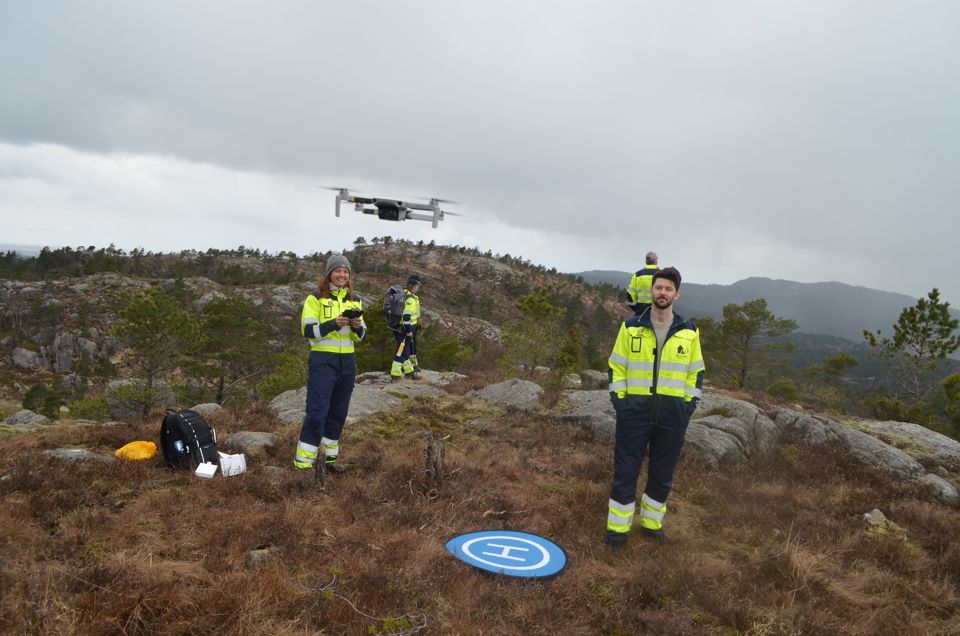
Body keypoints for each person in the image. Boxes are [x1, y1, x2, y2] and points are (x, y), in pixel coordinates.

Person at [606, 266, 704, 549]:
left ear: (677, 294)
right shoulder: (630, 327)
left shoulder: (689, 332)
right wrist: (621, 403)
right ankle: (617, 531)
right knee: (626, 470)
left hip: (672, 415)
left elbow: (695, 374)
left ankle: (651, 524)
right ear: (651, 290)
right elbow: (616, 367)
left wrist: (687, 407)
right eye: (658, 288)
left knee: (662, 474)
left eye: (668, 289)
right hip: (634, 413)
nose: (662, 293)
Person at [294, 254, 366, 473]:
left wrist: (354, 326)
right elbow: (308, 332)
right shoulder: (315, 299)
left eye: (345, 271)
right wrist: (332, 324)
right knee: (317, 412)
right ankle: (304, 464)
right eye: (338, 271)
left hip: (347, 363)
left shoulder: (354, 300)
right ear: (329, 274)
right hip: (323, 361)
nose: (342, 275)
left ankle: (328, 461)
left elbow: (361, 336)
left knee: (338, 413)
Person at [390, 275, 422, 382]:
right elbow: (407, 316)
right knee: (402, 351)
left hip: (398, 327)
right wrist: (408, 331)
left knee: (405, 351)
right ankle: (395, 375)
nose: (418, 288)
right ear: (412, 286)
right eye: (417, 286)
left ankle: (409, 372)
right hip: (406, 328)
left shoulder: (402, 295)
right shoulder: (410, 299)